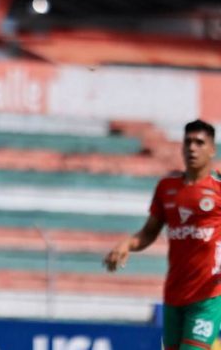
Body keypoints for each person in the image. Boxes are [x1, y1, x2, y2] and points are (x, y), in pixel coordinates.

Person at [104, 119, 220, 350]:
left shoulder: (218, 189)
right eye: (188, 142)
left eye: (199, 143)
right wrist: (127, 244)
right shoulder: (166, 188)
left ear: (212, 149)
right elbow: (148, 232)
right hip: (174, 294)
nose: (192, 148)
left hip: (208, 294)